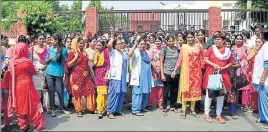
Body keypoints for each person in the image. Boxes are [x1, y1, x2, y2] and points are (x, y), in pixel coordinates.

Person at [2, 43, 46, 131]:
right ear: (24, 50)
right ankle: (38, 126)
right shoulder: (27, 62)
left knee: (21, 107)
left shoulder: (12, 62)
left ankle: (23, 126)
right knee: (33, 105)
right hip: (27, 86)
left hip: (17, 87)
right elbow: (33, 72)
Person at [203, 32, 233, 124]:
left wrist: (224, 67)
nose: (216, 40)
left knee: (221, 95)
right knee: (209, 95)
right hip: (212, 74)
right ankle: (206, 114)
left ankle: (218, 114)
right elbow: (205, 58)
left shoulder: (228, 51)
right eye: (215, 39)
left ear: (223, 40)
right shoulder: (212, 48)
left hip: (223, 75)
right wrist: (213, 64)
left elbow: (230, 62)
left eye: (218, 39)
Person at [173, 32, 204, 119]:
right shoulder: (184, 47)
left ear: (194, 38)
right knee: (185, 90)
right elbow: (180, 59)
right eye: (188, 37)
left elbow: (204, 57)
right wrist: (175, 70)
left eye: (191, 37)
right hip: (186, 72)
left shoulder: (199, 46)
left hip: (196, 73)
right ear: (186, 38)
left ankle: (192, 109)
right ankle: (183, 110)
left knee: (194, 91)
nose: (190, 39)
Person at [65, 37, 96, 117]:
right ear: (76, 44)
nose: (82, 44)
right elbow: (68, 65)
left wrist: (91, 74)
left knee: (90, 89)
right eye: (80, 43)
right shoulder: (72, 53)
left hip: (86, 76)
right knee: (78, 93)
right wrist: (75, 57)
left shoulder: (84, 52)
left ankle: (91, 108)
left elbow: (87, 64)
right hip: (76, 76)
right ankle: (79, 110)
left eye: (83, 43)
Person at [45, 33, 70, 117]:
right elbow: (45, 60)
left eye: (52, 40)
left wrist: (63, 74)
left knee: (60, 91)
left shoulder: (64, 50)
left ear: (57, 41)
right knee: (51, 91)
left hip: (59, 72)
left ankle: (62, 108)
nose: (51, 41)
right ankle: (52, 109)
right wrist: (49, 59)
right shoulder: (50, 48)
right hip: (49, 72)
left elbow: (64, 63)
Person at [128, 38, 153, 116]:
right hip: (138, 76)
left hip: (146, 76)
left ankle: (142, 107)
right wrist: (135, 45)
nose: (142, 45)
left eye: (143, 44)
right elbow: (129, 54)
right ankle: (135, 109)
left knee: (145, 92)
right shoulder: (136, 52)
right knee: (137, 93)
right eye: (140, 44)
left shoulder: (146, 52)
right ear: (138, 44)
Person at [106, 39, 128, 119]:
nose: (120, 45)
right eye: (118, 44)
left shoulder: (123, 52)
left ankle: (117, 110)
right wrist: (112, 37)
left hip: (123, 76)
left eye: (121, 43)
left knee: (121, 93)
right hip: (116, 76)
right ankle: (110, 111)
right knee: (114, 93)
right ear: (114, 45)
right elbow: (108, 45)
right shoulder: (112, 52)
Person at [252, 28, 268, 129]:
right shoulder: (263, 46)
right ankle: (262, 117)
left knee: (264, 100)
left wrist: (262, 78)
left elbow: (267, 64)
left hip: (264, 79)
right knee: (261, 99)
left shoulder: (266, 46)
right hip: (260, 77)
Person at [160, 35, 180, 116]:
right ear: (167, 42)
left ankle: (172, 105)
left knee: (174, 90)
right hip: (167, 72)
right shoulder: (164, 50)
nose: (171, 42)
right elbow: (161, 62)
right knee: (166, 90)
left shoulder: (177, 50)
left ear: (174, 41)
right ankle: (164, 107)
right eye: (169, 41)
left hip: (176, 73)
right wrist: (162, 74)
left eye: (172, 41)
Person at [231, 34, 251, 112]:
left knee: (245, 86)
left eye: (240, 39)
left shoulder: (246, 48)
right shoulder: (232, 48)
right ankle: (234, 103)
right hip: (235, 68)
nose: (239, 40)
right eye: (237, 39)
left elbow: (248, 58)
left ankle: (245, 104)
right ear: (235, 40)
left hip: (244, 69)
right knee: (235, 86)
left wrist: (242, 64)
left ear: (242, 40)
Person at [32, 33, 50, 113]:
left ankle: (47, 107)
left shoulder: (47, 49)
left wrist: (45, 66)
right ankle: (38, 108)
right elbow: (30, 60)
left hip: (45, 70)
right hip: (35, 71)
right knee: (37, 90)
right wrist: (34, 69)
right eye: (40, 39)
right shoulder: (32, 49)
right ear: (36, 39)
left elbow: (49, 60)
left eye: (43, 39)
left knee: (45, 90)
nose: (41, 40)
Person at [94, 40, 110, 119]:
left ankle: (102, 108)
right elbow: (94, 64)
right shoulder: (96, 53)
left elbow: (108, 65)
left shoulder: (105, 52)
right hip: (98, 73)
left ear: (103, 46)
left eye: (100, 45)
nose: (98, 47)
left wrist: (107, 75)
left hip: (104, 74)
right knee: (99, 92)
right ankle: (100, 109)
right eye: (97, 45)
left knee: (103, 93)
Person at [225, 39, 240, 119]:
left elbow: (239, 64)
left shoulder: (234, 53)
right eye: (226, 44)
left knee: (232, 94)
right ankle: (218, 112)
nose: (227, 45)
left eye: (228, 44)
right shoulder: (220, 53)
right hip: (222, 76)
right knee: (220, 94)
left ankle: (233, 112)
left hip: (232, 77)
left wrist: (230, 65)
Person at [148, 37, 164, 110]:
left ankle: (160, 103)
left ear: (161, 42)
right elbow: (149, 59)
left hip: (162, 70)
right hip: (154, 71)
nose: (158, 43)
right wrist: (152, 63)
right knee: (153, 87)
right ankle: (150, 103)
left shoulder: (163, 49)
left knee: (160, 88)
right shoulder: (152, 50)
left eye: (159, 41)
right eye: (156, 41)